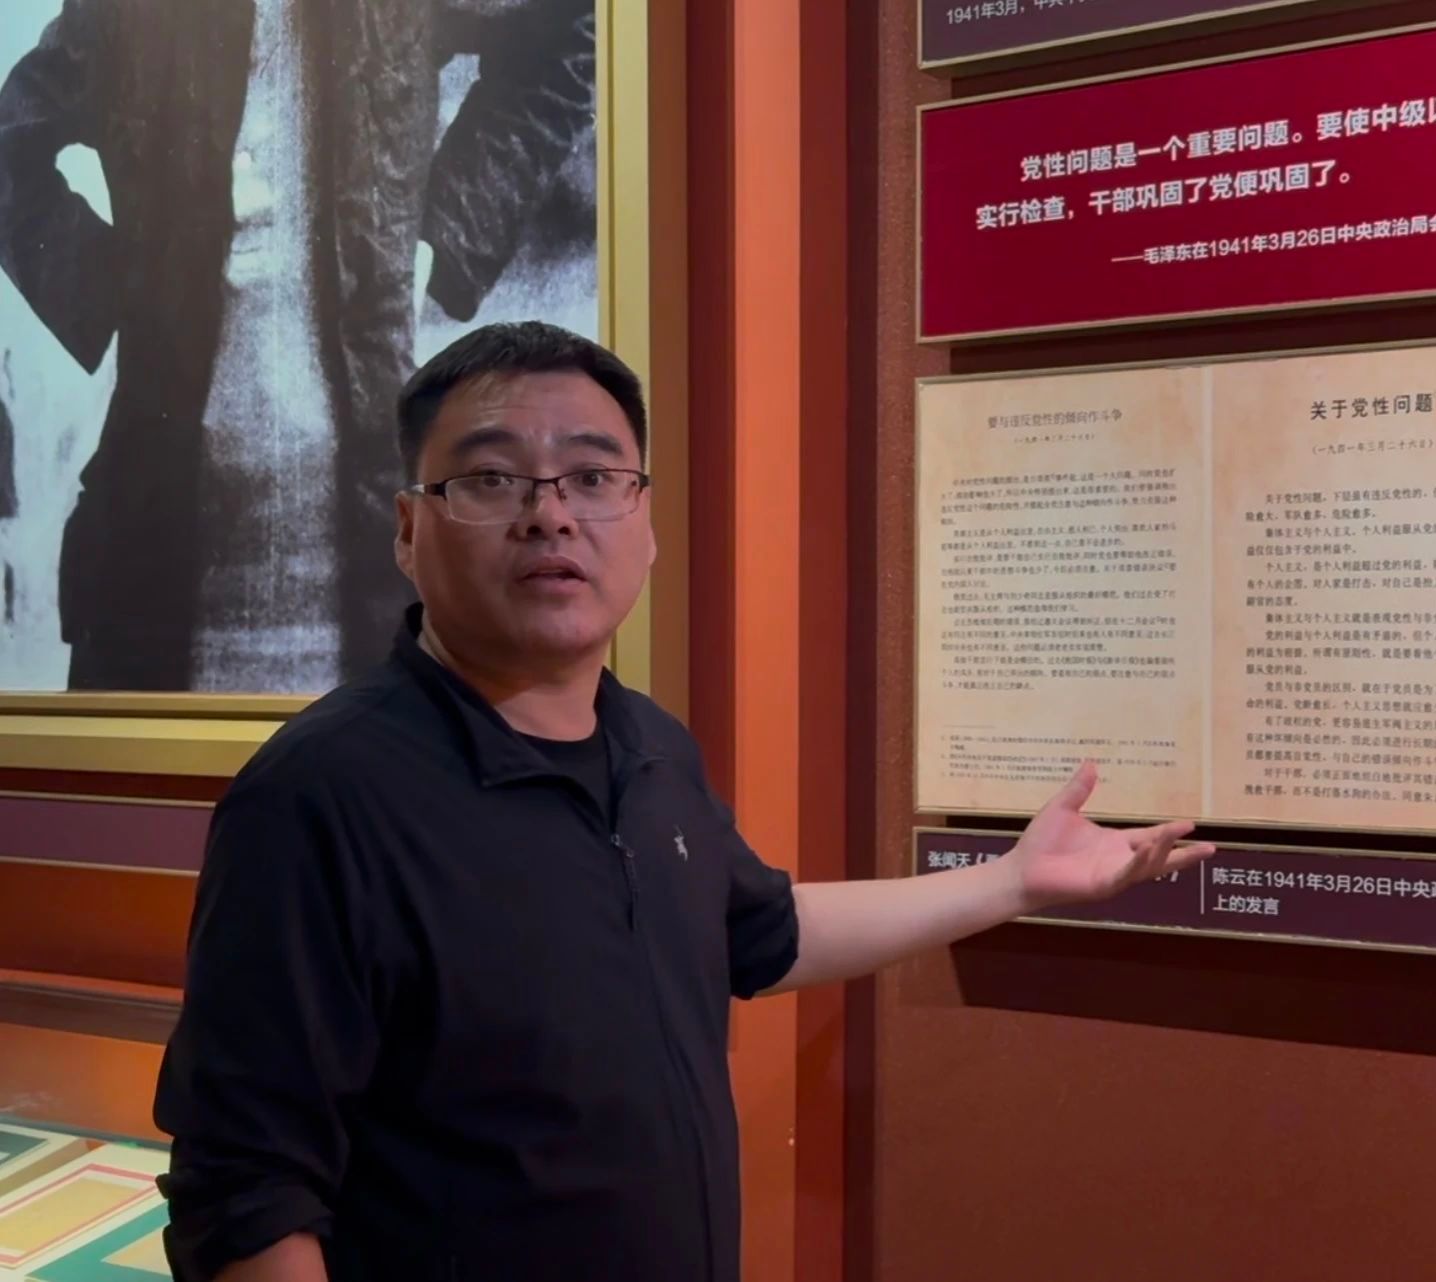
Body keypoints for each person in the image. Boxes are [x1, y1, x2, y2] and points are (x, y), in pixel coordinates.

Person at [151, 322, 1213, 1282]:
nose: (549, 514)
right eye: (491, 478)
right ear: (405, 529)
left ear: (645, 520)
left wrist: (1013, 881)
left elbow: (760, 929)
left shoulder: (650, 746)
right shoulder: (320, 794)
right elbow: (245, 1188)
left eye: (592, 476)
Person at [0, 0, 594, 692]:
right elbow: (12, 143)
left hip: (374, 562)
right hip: (155, 561)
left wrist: (442, 240)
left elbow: (566, 33)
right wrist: (118, 291)